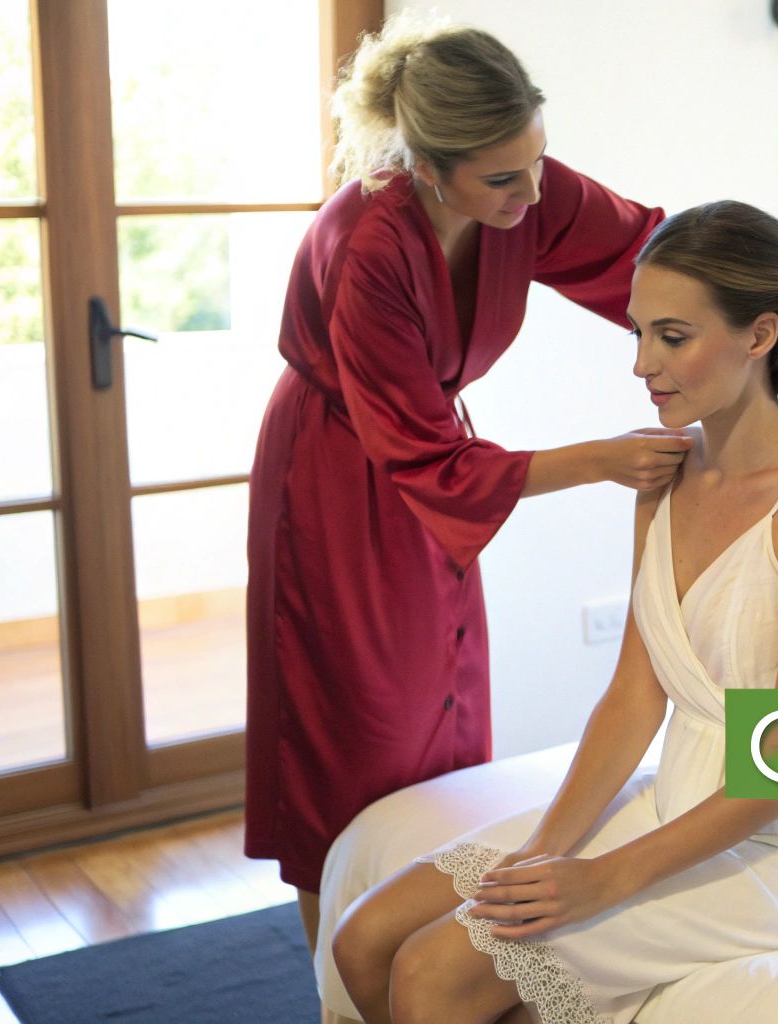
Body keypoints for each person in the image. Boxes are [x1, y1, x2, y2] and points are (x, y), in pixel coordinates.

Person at [327, 201, 778, 1024]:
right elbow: (636, 695)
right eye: (636, 334)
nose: (643, 363)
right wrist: (544, 850)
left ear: (760, 335)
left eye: (672, 336)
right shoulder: (667, 473)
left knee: (432, 973)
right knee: (366, 935)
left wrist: (603, 878)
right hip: (679, 797)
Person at [245, 11, 685, 954]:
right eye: (502, 178)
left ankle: (419, 943)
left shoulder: (523, 191)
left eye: (537, 161)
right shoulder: (369, 244)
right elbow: (423, 456)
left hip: (424, 468)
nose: (533, 192)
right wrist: (604, 459)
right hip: (338, 478)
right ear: (428, 166)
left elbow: (647, 251)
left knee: (439, 710)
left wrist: (775, 302)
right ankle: (336, 976)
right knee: (354, 729)